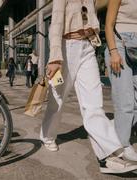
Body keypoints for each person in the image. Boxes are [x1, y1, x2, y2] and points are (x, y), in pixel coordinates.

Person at [41, 0, 137, 174]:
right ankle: (47, 136)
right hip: (66, 47)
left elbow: (97, 12)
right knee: (58, 100)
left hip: (88, 48)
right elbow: (56, 23)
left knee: (94, 105)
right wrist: (55, 57)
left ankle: (110, 156)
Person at [105, 0, 137, 161]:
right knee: (125, 101)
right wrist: (113, 52)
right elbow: (108, 25)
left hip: (136, 48)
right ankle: (122, 145)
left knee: (134, 102)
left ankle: (112, 130)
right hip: (119, 45)